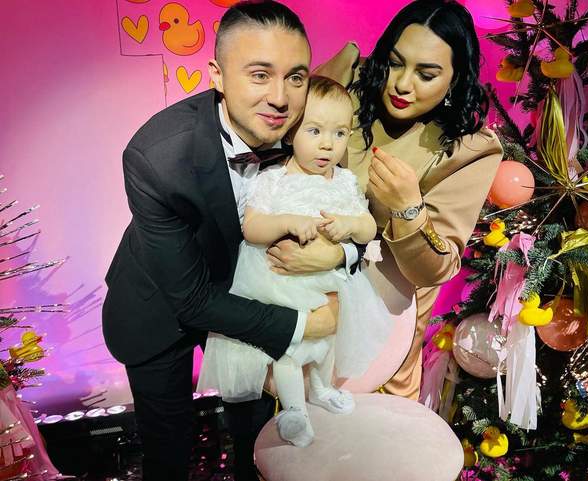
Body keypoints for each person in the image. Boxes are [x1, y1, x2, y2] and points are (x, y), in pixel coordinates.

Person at [101, 2, 363, 480]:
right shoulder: (157, 157)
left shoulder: (311, 132)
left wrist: (340, 252)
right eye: (260, 75)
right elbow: (192, 298)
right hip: (163, 305)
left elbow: (348, 213)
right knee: (169, 448)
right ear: (218, 75)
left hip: (254, 295)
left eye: (296, 77)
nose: (280, 98)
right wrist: (307, 323)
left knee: (260, 435)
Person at [315, 0, 504, 400]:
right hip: (305, 304)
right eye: (395, 63)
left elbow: (436, 268)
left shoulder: (468, 149)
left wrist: (407, 209)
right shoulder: (348, 84)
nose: (402, 84)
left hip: (384, 331)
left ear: (455, 79)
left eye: (426, 74)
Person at [198, 76, 393, 447]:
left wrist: (351, 224)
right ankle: (293, 409)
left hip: (332, 282)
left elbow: (369, 227)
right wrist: (286, 222)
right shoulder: (274, 179)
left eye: (340, 133)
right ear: (290, 133)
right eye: (315, 131)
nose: (327, 144)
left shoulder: (345, 181)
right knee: (288, 350)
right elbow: (252, 227)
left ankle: (321, 388)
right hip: (282, 283)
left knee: (329, 341)